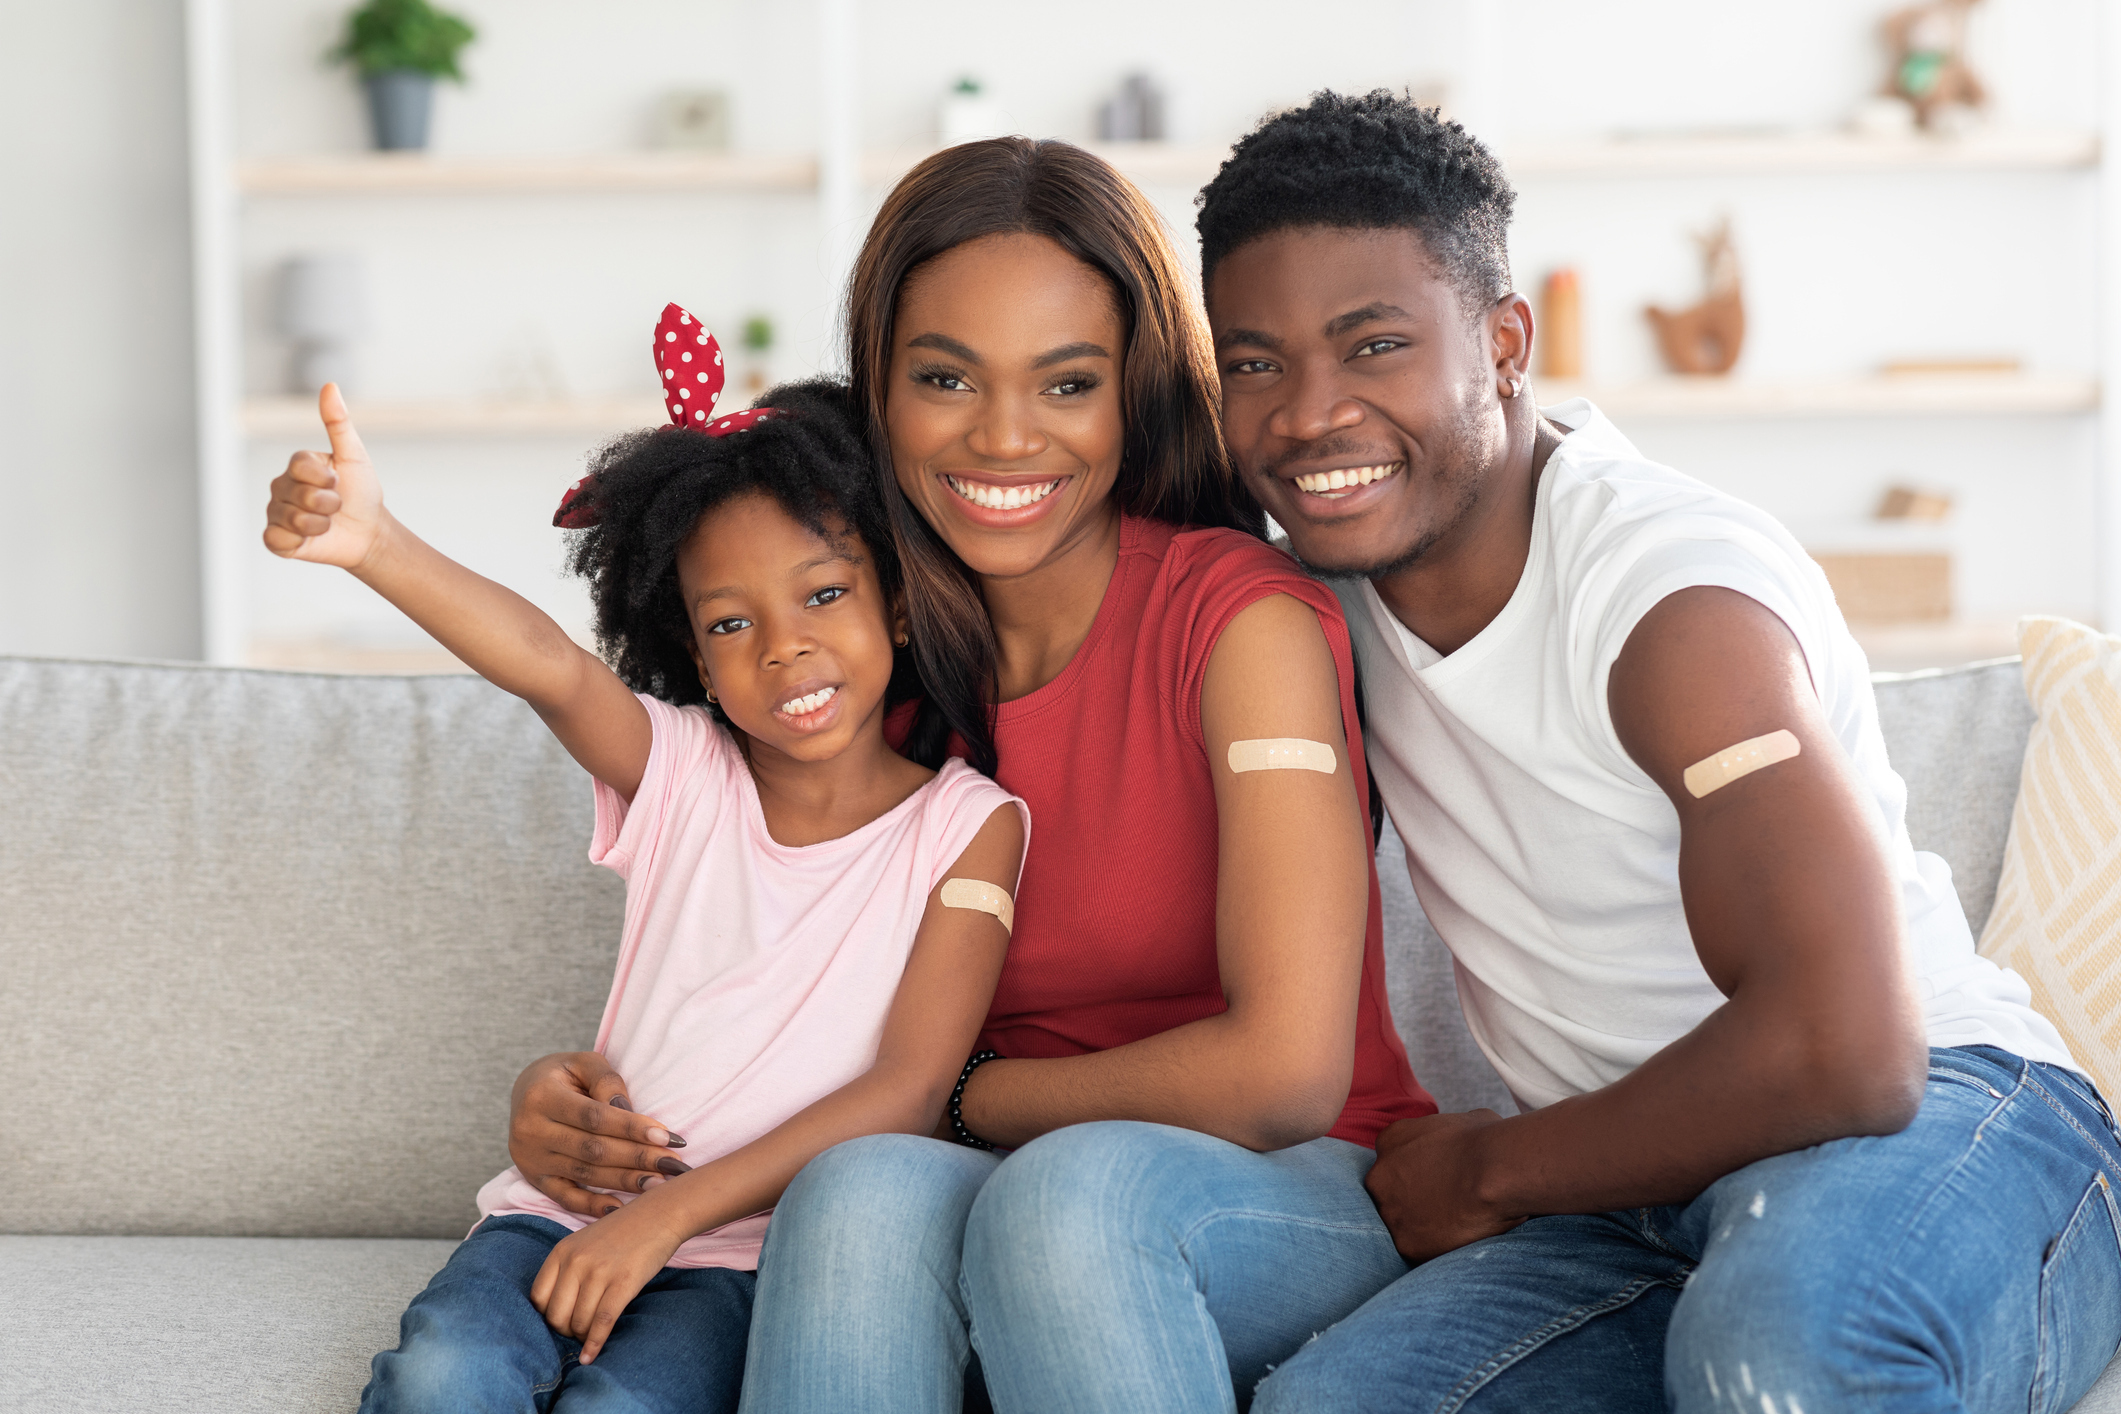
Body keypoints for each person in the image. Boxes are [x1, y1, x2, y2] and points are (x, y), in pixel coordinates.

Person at [1195, 91, 2121, 1412]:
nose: (1306, 414)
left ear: (1506, 344)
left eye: (1373, 345)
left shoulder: (1670, 600)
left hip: (1946, 1126)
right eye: (1255, 363)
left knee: (1781, 1352)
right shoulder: (1305, 604)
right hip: (1633, 1196)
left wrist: (1490, 1169)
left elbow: (1849, 1048)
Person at [501, 139, 1437, 1413]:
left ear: (1135, 396)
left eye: (1067, 383)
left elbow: (1284, 1077)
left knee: (1067, 1195)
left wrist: (953, 1096)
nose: (1003, 437)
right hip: (990, 1171)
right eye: (945, 378)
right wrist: (574, 1104)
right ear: (874, 391)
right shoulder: (848, 670)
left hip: (1282, 1187)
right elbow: (731, 942)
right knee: (855, 1188)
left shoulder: (1240, 624)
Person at [261, 340, 1026, 1414]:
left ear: (896, 606)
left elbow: (906, 1087)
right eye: (731, 623)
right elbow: (549, 664)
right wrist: (377, 543)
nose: (783, 648)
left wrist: (666, 1218)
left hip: (746, 1262)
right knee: (441, 1375)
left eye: (823, 594)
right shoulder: (683, 772)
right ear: (694, 655)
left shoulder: (970, 825)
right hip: (558, 1215)